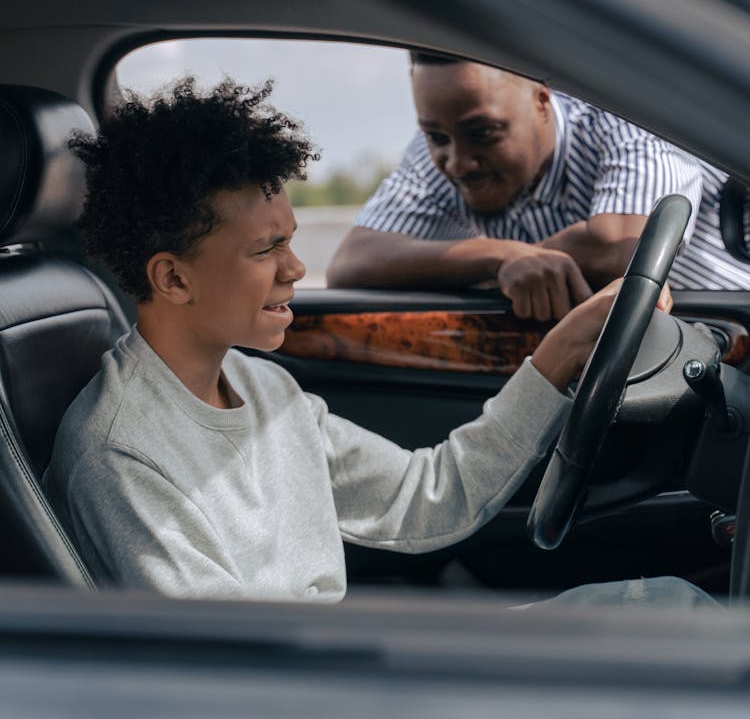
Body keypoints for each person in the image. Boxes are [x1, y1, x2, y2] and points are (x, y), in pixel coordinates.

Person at [43, 76, 666, 604]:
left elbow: (428, 499)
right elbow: (226, 672)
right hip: (310, 691)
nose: (293, 269)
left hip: (332, 670)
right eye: (267, 249)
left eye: (289, 239)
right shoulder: (120, 456)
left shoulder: (264, 388)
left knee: (664, 608)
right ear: (173, 277)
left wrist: (558, 354)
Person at [327, 55, 750, 319]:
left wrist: (524, 261)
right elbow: (350, 264)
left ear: (543, 101)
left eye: (484, 133)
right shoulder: (438, 152)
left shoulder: (626, 117)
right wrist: (498, 257)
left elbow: (624, 249)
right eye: (436, 136)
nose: (457, 161)